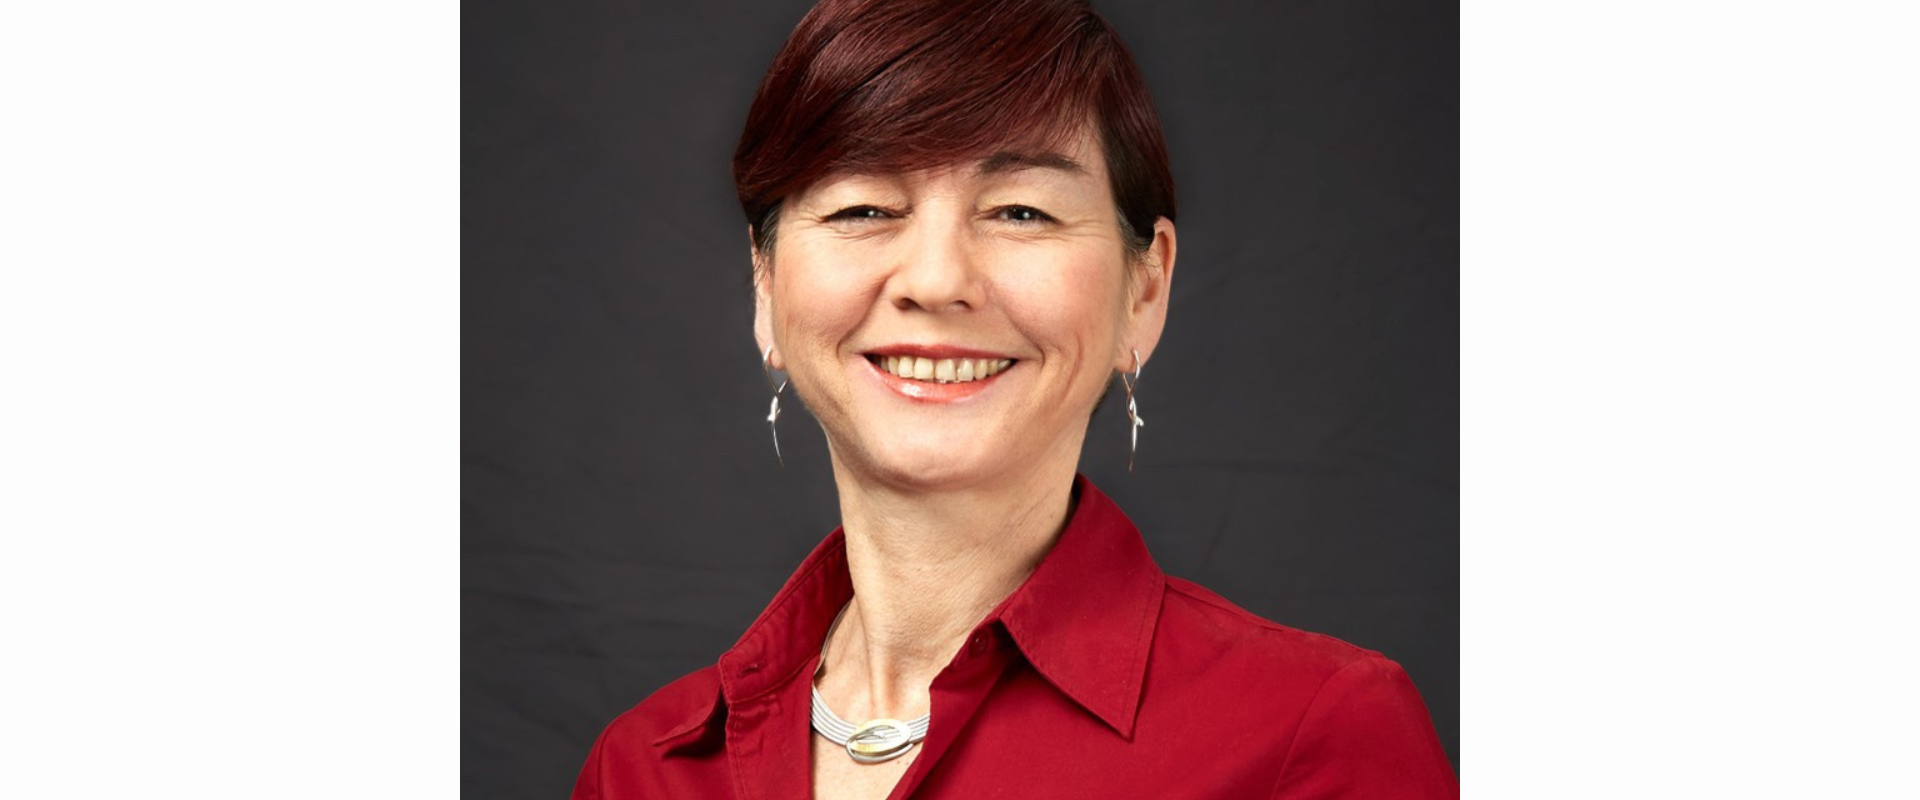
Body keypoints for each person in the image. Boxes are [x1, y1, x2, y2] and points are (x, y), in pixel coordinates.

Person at [571, 0, 1457, 797]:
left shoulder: (1313, 734)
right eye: (863, 208)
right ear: (764, 287)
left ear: (1144, 292)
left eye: (1021, 211)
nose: (936, 279)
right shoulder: (644, 768)